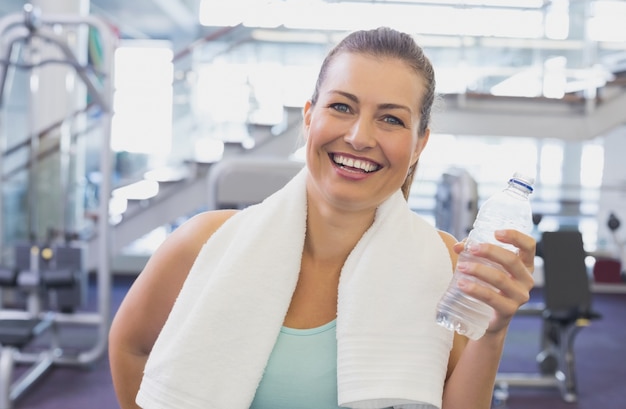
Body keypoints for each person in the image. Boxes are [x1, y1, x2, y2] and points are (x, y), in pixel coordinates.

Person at [109, 26, 536, 409]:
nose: (359, 137)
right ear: (310, 115)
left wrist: (493, 330)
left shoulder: (446, 266)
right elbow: (130, 347)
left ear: (419, 143)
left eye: (390, 118)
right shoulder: (205, 242)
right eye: (342, 107)